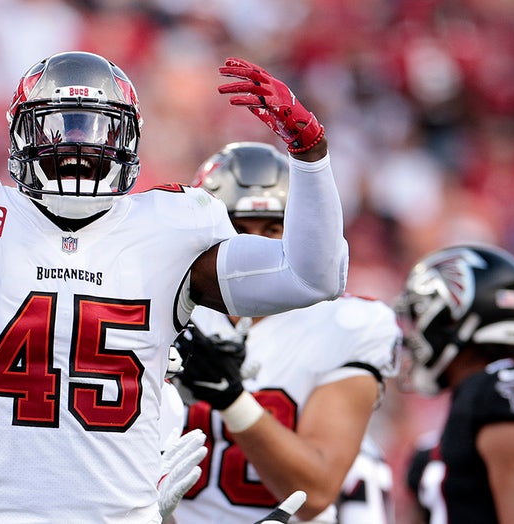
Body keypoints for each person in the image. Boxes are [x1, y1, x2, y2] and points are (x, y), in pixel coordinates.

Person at [0, 1, 347, 521]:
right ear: (20, 135)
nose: (79, 147)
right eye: (59, 128)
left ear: (128, 138)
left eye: (96, 129)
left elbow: (311, 276)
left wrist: (310, 155)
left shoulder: (170, 229)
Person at [167, 142, 399, 523]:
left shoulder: (346, 324)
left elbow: (315, 491)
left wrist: (232, 399)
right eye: (238, 228)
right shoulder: (164, 303)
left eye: (274, 228)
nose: (256, 244)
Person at [395, 243, 514, 523]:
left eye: (419, 314)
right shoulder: (473, 399)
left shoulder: (503, 393)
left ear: (454, 318)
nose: (413, 333)